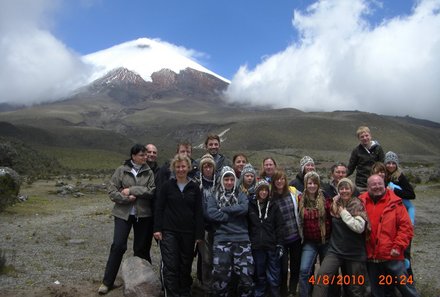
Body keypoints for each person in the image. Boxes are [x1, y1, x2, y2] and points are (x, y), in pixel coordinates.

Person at [98, 144, 156, 295]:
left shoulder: (148, 171)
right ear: (133, 156)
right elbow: (112, 190)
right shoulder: (121, 170)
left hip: (143, 215)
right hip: (123, 214)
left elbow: (151, 191)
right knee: (118, 246)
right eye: (142, 155)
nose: (145, 157)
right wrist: (125, 198)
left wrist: (131, 190)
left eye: (146, 155)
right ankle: (107, 282)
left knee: (141, 249)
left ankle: (144, 284)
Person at [359, 175, 420, 297]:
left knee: (406, 289)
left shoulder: (396, 202)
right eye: (373, 184)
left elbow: (406, 228)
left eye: (379, 184)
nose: (377, 187)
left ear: (384, 185)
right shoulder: (361, 202)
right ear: (368, 187)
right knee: (377, 291)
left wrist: (398, 247)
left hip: (393, 255)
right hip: (372, 256)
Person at [153, 154, 204, 297]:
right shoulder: (167, 186)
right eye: (178, 166)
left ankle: (184, 292)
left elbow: (199, 212)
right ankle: (172, 293)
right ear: (173, 168)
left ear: (188, 168)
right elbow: (159, 208)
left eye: (183, 166)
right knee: (171, 265)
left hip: (188, 233)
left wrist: (199, 235)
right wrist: (157, 229)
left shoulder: (194, 187)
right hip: (169, 231)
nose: (181, 169)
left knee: (185, 264)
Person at [312, 178, 369, 297]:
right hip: (336, 250)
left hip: (355, 252)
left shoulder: (357, 204)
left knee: (355, 287)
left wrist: (343, 212)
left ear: (352, 189)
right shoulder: (335, 205)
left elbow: (359, 227)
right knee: (322, 278)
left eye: (347, 188)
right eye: (341, 189)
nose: (344, 191)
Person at [207, 166, 254, 296]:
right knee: (220, 277)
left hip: (242, 240)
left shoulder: (241, 194)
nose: (229, 182)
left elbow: (244, 208)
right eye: (226, 179)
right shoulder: (214, 195)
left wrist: (224, 210)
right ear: (221, 180)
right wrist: (233, 214)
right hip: (222, 240)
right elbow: (211, 213)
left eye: (231, 179)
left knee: (246, 276)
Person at [298, 171, 332, 297]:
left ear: (318, 184)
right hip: (309, 242)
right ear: (305, 184)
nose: (312, 186)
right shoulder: (300, 199)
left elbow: (332, 217)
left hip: (325, 241)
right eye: (309, 183)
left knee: (326, 273)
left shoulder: (325, 198)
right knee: (304, 270)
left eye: (314, 183)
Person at [248, 180, 285, 297]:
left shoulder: (274, 206)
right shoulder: (251, 206)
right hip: (257, 246)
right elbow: (248, 226)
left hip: (272, 246)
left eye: (266, 190)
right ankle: (260, 293)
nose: (263, 192)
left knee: (274, 273)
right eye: (261, 190)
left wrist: (280, 244)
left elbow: (280, 226)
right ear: (257, 191)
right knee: (259, 272)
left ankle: (274, 293)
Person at [384, 151, 416, 275]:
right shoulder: (384, 176)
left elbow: (411, 195)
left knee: (405, 250)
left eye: (393, 163)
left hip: (404, 215)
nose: (391, 165)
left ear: (397, 164)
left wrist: (395, 190)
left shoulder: (400, 177)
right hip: (391, 218)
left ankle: (409, 281)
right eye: (388, 163)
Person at [271, 170, 302, 297]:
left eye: (282, 179)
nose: (280, 181)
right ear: (273, 182)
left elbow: (308, 196)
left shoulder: (292, 192)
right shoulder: (270, 197)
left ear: (285, 180)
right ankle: (283, 290)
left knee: (295, 266)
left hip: (295, 236)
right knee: (283, 269)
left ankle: (292, 290)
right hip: (281, 239)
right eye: (277, 179)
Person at [195, 153, 217, 292]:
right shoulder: (197, 184)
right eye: (205, 166)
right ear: (201, 168)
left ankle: (218, 286)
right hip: (202, 227)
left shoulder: (219, 183)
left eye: (210, 166)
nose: (208, 169)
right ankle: (207, 287)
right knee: (206, 259)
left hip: (217, 227)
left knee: (217, 258)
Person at [347, 126, 385, 192]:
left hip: (375, 184)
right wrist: (341, 176)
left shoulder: (378, 149)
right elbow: (351, 167)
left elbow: (382, 166)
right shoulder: (356, 151)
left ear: (370, 135)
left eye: (366, 135)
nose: (365, 138)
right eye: (362, 137)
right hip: (361, 185)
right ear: (359, 138)